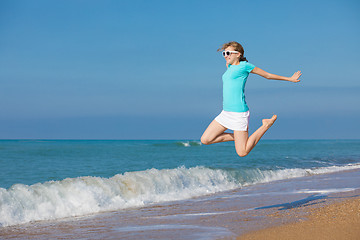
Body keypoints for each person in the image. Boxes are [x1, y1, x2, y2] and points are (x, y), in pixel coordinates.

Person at [200, 41, 301, 157]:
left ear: (238, 54)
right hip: (226, 112)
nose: (225, 56)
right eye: (224, 53)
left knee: (242, 152)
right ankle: (239, 139)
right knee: (206, 139)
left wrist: (289, 79)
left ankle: (265, 125)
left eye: (228, 53)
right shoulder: (229, 66)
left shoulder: (245, 66)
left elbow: (267, 75)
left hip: (239, 113)